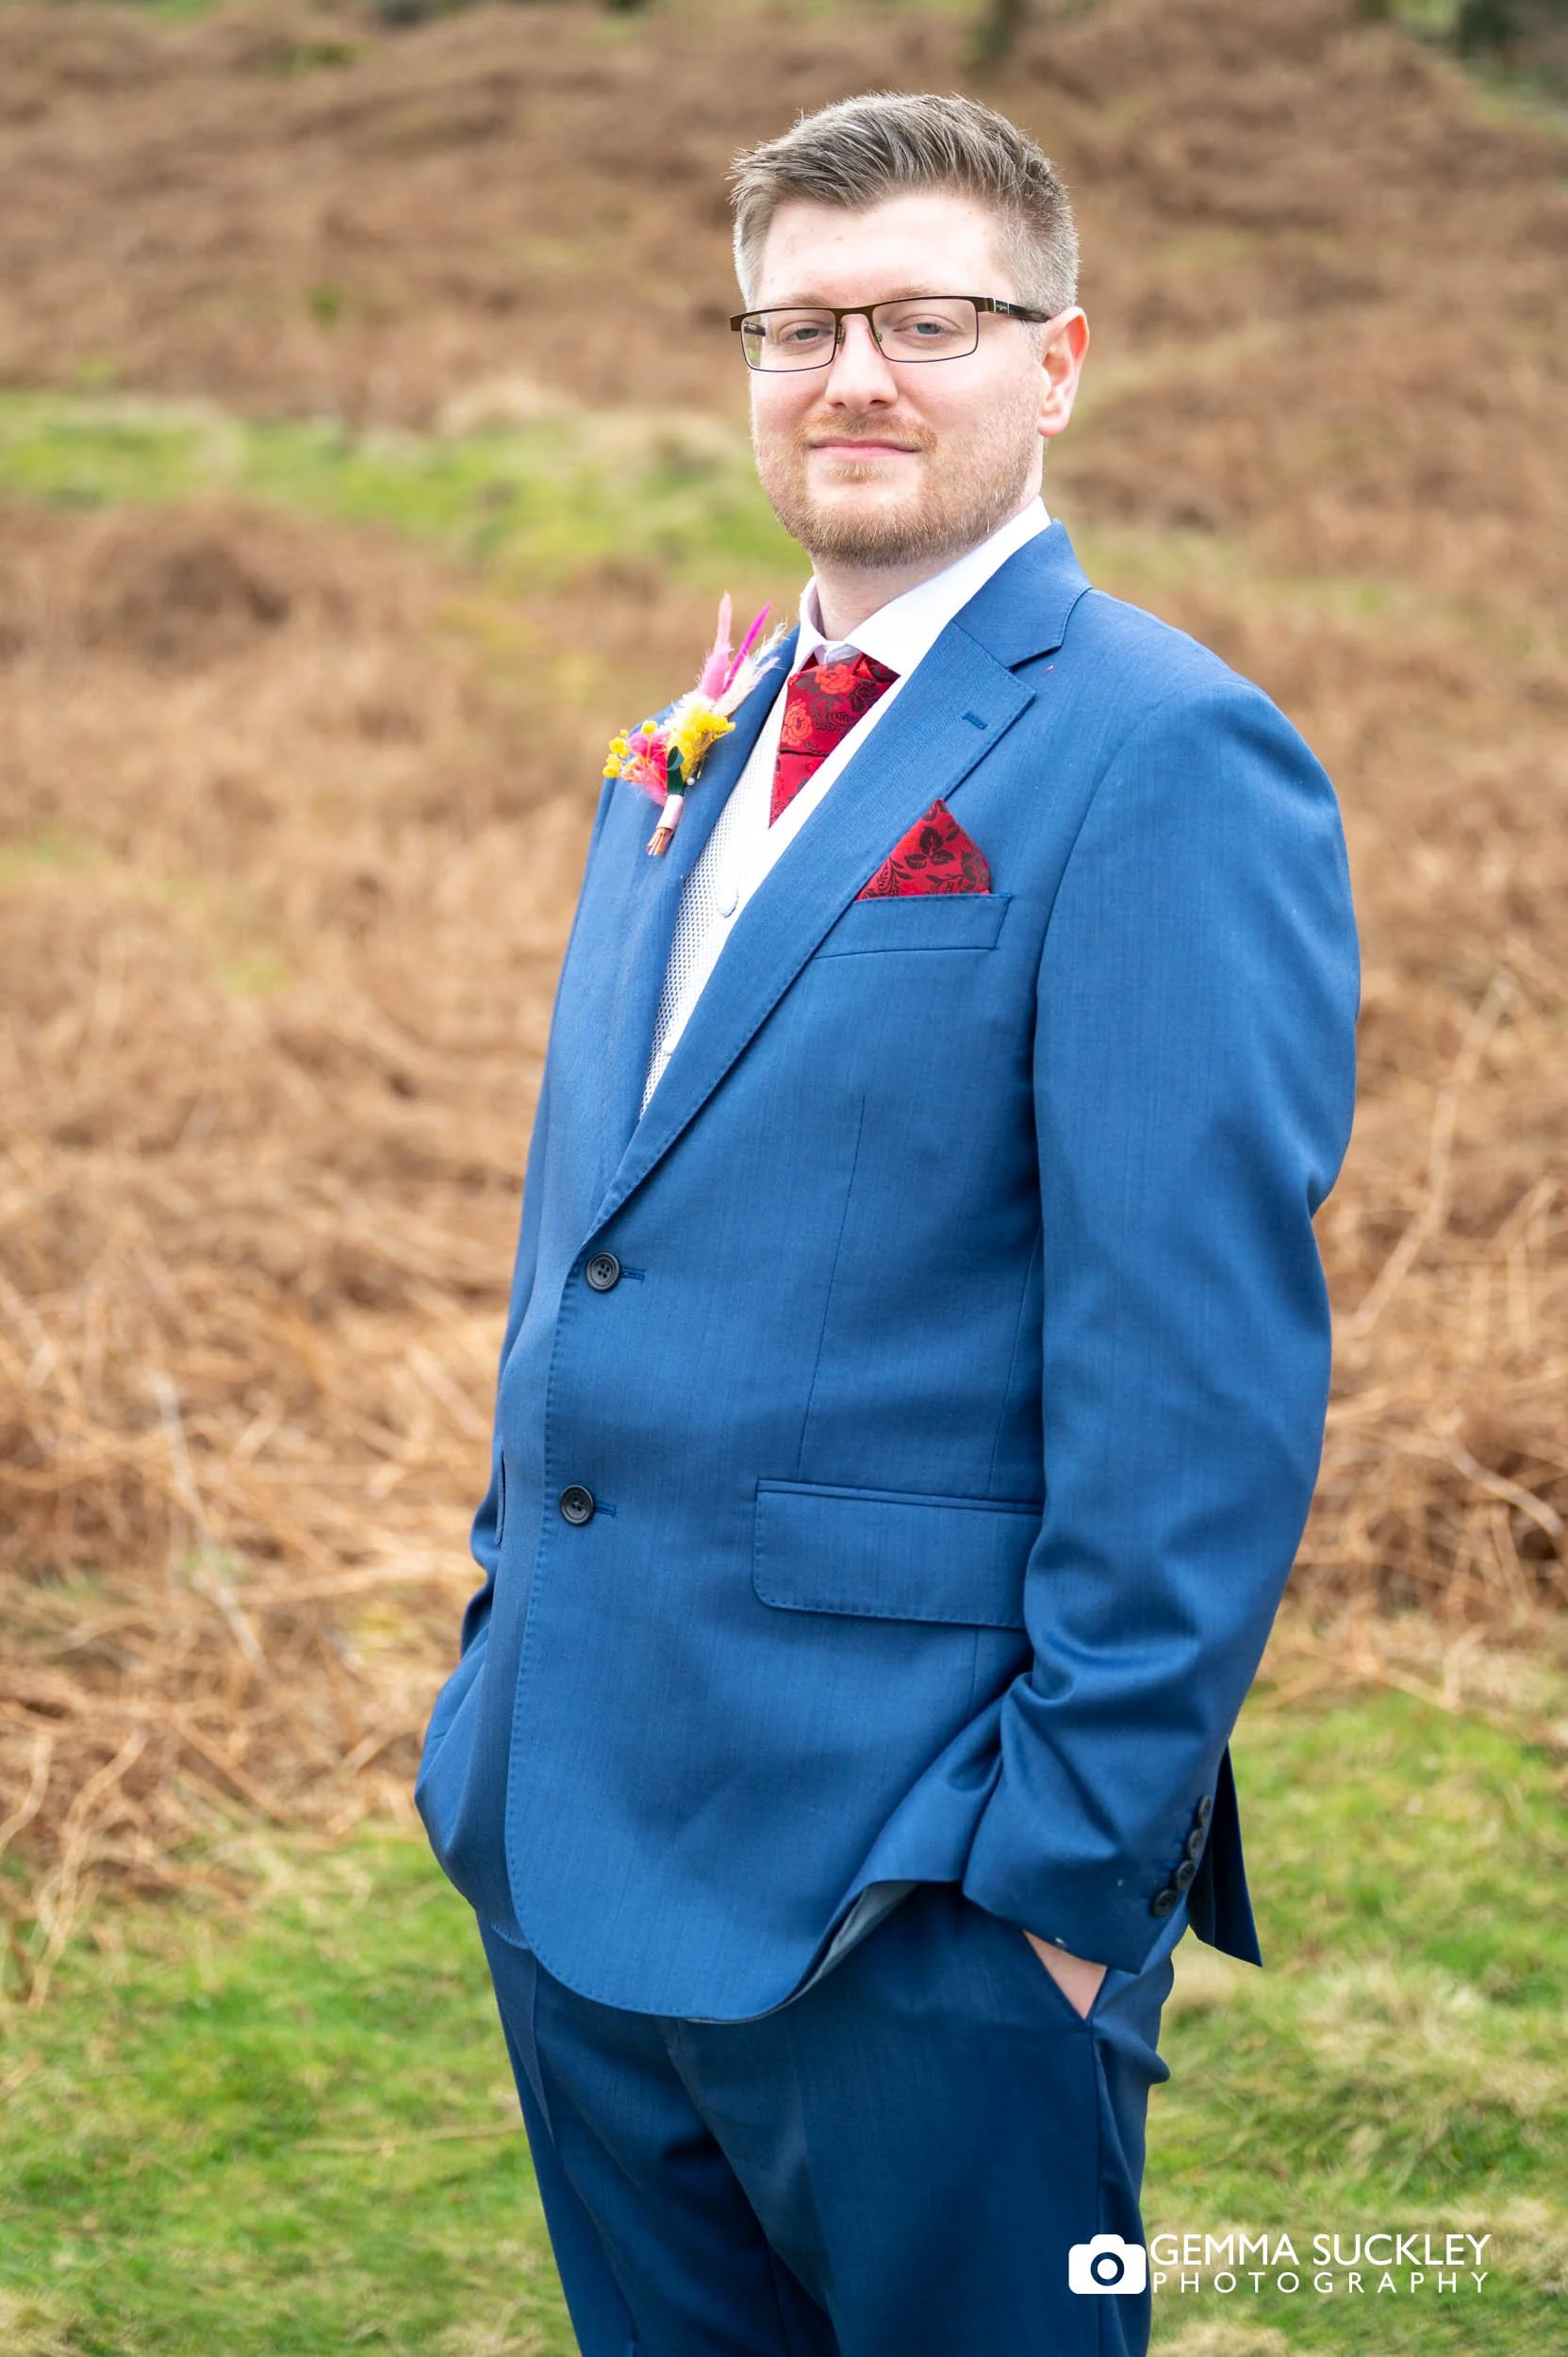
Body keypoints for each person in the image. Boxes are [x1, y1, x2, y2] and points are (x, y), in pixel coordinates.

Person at [415, 91, 1359, 2357]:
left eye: (928, 319)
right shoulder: (702, 735)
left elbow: (1194, 1376)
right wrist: (491, 1663)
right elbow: (605, 1229)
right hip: (570, 1827)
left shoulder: (1164, 755)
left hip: (912, 1893)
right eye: (799, 324)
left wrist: (1052, 1883)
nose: (854, 375)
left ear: (1058, 358)